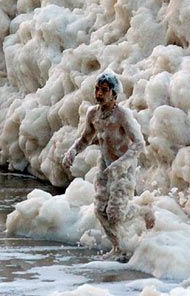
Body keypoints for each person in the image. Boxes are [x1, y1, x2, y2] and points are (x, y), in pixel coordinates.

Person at [62, 71, 155, 262]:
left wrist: (121, 164)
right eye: (97, 89)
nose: (98, 94)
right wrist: (72, 151)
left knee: (115, 213)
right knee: (100, 210)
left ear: (114, 94)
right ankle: (119, 247)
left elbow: (139, 143)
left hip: (124, 168)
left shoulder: (122, 115)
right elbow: (85, 138)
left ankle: (143, 211)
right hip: (105, 167)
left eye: (104, 90)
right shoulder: (93, 114)